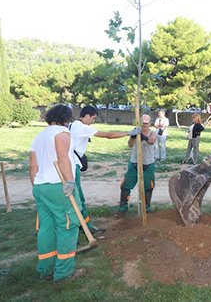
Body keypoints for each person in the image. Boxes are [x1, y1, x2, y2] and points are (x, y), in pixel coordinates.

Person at [29, 104, 83, 283]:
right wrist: (69, 181)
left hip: (40, 186)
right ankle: (64, 272)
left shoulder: (39, 136)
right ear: (66, 119)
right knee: (67, 225)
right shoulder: (62, 133)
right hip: (58, 186)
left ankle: (45, 269)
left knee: (45, 227)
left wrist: (35, 186)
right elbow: (63, 158)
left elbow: (32, 165)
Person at [69, 105, 141, 233]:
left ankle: (83, 226)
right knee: (78, 198)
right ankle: (83, 228)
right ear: (86, 116)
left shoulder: (72, 125)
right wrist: (129, 133)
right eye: (93, 119)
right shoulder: (82, 127)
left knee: (76, 197)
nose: (93, 122)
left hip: (70, 164)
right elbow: (108, 135)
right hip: (72, 166)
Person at [115, 114, 157, 217]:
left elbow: (151, 141)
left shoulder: (153, 133)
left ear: (150, 123)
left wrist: (144, 138)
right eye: (143, 123)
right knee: (125, 186)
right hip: (134, 163)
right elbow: (129, 144)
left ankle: (147, 208)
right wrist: (133, 136)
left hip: (147, 164)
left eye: (146, 123)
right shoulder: (136, 131)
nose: (144, 125)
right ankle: (122, 208)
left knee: (148, 187)